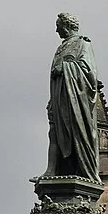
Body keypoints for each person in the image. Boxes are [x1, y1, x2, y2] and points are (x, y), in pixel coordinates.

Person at [43, 12, 100, 182]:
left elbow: (89, 71)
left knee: (76, 134)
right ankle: (51, 170)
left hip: (76, 102)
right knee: (54, 133)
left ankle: (81, 169)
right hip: (59, 97)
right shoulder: (62, 47)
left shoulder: (83, 44)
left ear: (66, 26)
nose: (56, 29)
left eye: (58, 25)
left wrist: (65, 67)